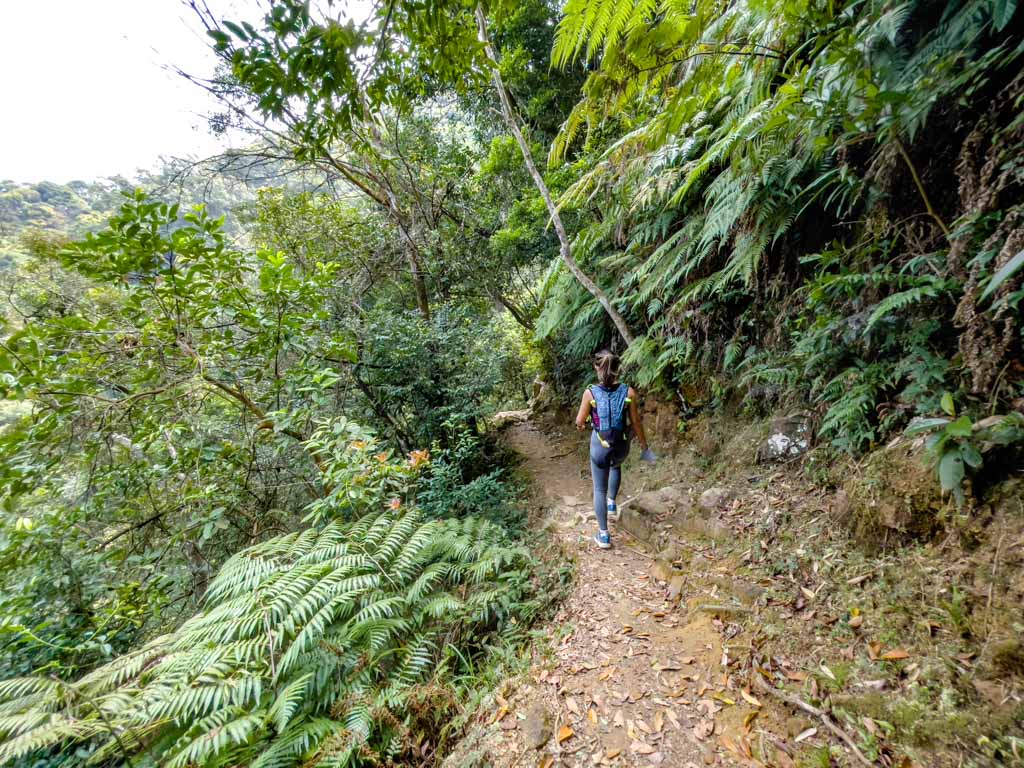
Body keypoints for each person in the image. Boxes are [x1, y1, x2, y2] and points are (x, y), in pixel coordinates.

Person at [575, 350, 656, 549]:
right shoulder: (629, 392)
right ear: (618, 369)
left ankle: (603, 535)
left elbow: (579, 421)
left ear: (596, 367)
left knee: (598, 488)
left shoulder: (590, 393)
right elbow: (635, 422)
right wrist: (645, 447)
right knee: (616, 464)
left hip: (600, 445)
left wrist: (585, 421)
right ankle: (612, 503)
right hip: (621, 445)